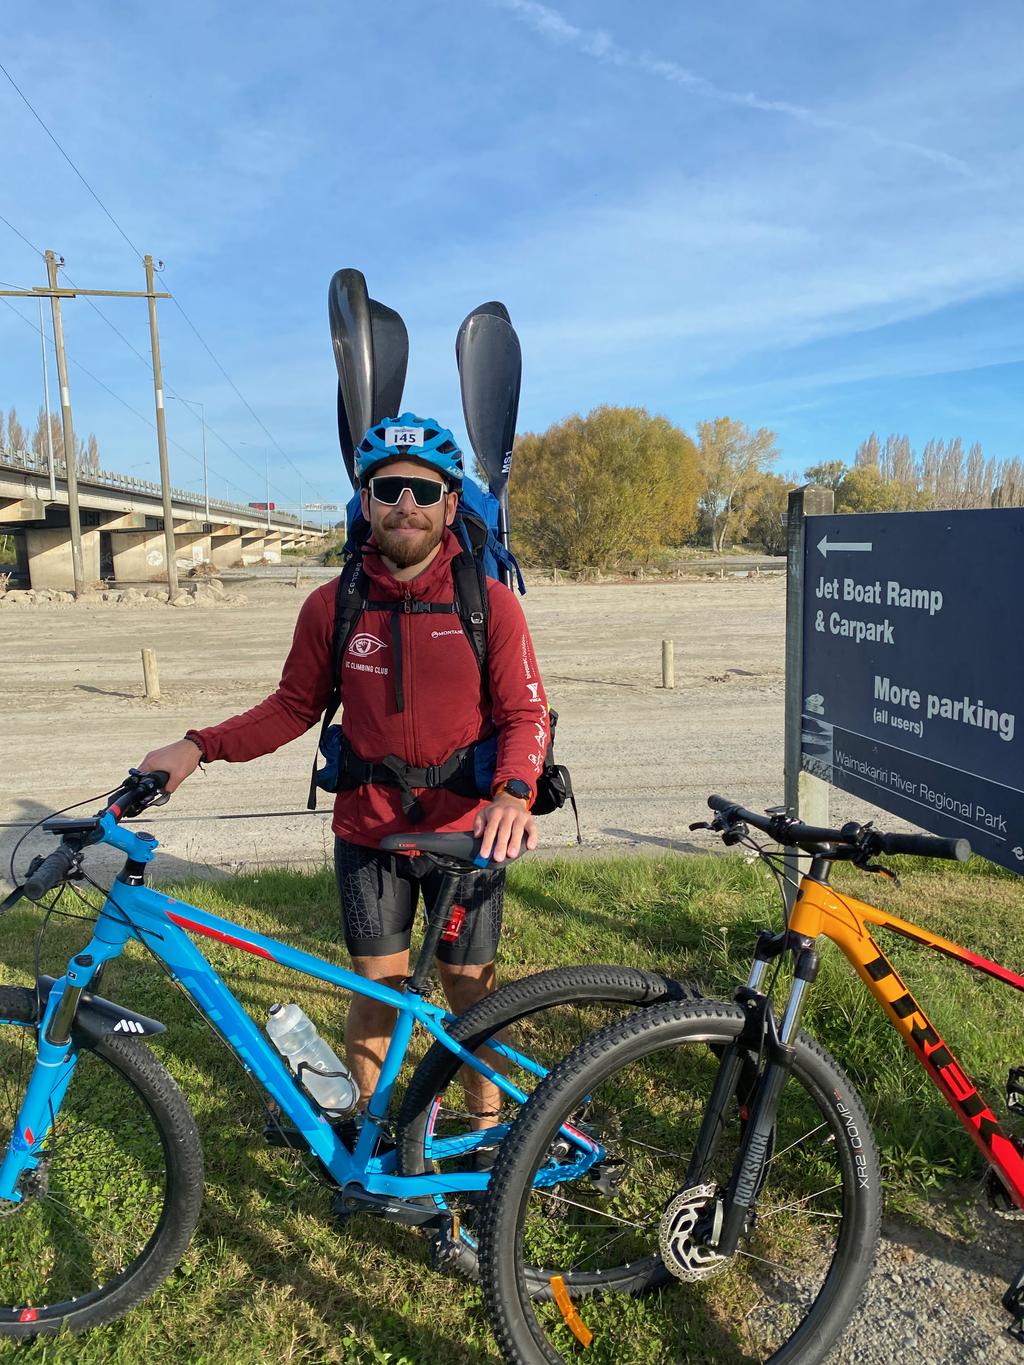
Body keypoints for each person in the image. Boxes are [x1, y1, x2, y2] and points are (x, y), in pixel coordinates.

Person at [139, 414, 549, 1122]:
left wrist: (514, 792)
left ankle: (489, 1132)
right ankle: (370, 1125)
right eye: (388, 489)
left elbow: (525, 715)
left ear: (453, 503)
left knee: (470, 989)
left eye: (424, 492)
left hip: (467, 832)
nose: (406, 506)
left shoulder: (492, 606)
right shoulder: (334, 605)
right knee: (377, 986)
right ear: (365, 503)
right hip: (369, 834)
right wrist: (197, 745)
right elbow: (291, 706)